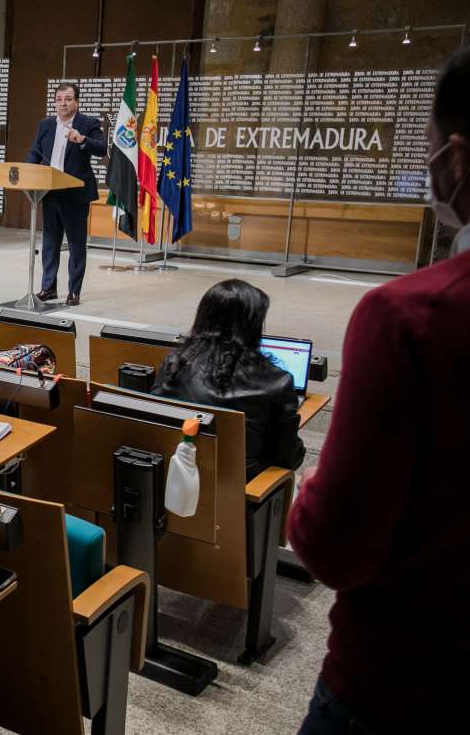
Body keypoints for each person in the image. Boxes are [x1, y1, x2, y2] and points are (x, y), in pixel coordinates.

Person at [287, 47, 470, 734]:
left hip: (402, 686)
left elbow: (335, 545)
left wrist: (302, 495)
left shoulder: (409, 318)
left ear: (456, 157)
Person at [152, 279, 304, 480]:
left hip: (177, 480)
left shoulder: (174, 364)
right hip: (243, 492)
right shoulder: (277, 381)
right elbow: (288, 458)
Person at [25, 82, 106, 306]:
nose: (63, 103)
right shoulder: (46, 124)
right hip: (50, 192)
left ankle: (74, 291)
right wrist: (26, 172)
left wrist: (82, 141)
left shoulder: (88, 123)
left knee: (76, 244)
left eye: (68, 99)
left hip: (75, 193)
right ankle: (48, 288)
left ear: (77, 102)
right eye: (59, 99)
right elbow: (35, 152)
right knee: (50, 242)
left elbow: (102, 148)